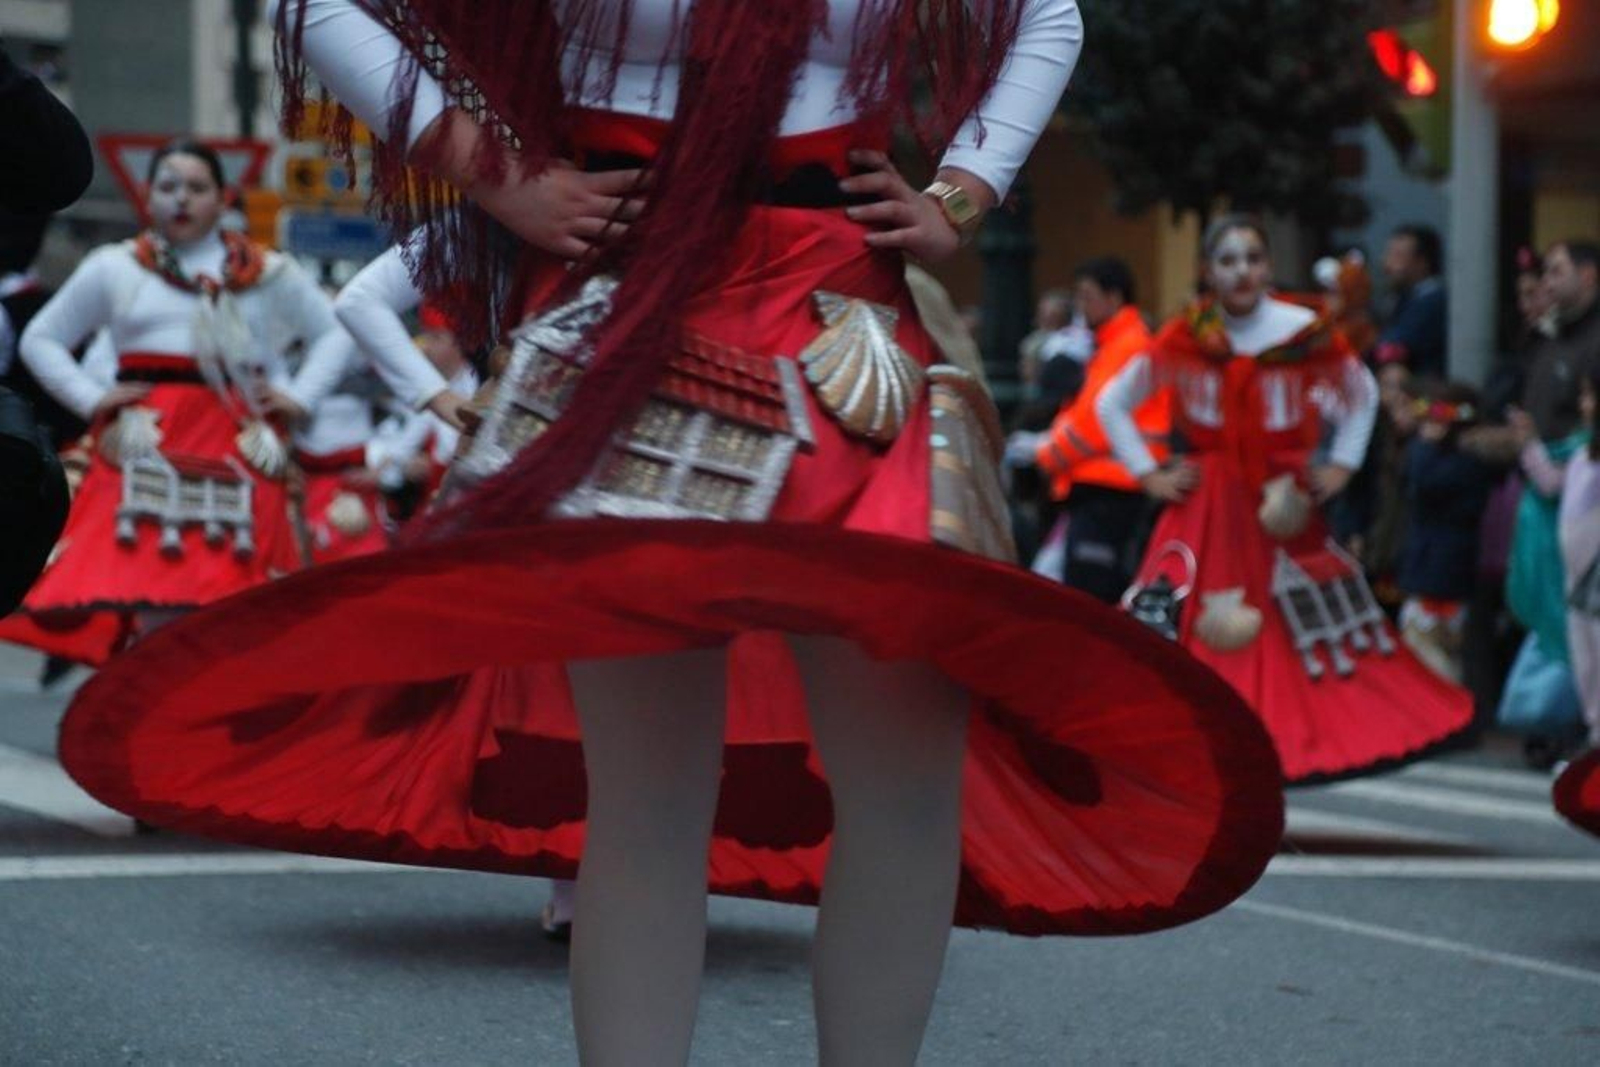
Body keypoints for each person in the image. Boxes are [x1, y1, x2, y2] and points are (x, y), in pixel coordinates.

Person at [59, 4, 1287, 1062]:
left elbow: (1047, 15)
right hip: (635, 306)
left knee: (905, 779)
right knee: (648, 793)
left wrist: (965, 188)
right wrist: (495, 171)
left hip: (841, 314)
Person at [1096, 214, 1473, 780]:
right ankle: (1201, 749)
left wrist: (1342, 465)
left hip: (1282, 503)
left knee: (1297, 624)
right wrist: (1147, 473)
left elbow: (1361, 393)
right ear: (1208, 271)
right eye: (1228, 261)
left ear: (1268, 267)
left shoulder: (1303, 331)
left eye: (1252, 258)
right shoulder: (1186, 334)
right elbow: (1111, 403)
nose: (1241, 271)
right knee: (1195, 622)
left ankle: (1297, 744)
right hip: (1209, 504)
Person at [0, 140, 349, 664]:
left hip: (237, 445)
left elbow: (335, 334)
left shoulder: (270, 272)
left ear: (223, 197)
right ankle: (141, 716)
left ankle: (200, 718)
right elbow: (41, 340)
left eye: (196, 188)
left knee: (230, 600)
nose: (180, 200)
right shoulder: (115, 265)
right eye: (167, 187)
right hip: (146, 443)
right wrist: (95, 398)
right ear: (148, 196)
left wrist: (298, 397)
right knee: (147, 593)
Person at [1032, 256, 1165, 600]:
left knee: (1091, 597)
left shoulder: (1126, 344)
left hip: (1109, 489)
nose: (1080, 306)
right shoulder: (1118, 342)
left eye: (1086, 296)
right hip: (1111, 487)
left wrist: (1047, 455)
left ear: (1114, 297)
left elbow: (1092, 423)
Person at [1395, 382, 1493, 683]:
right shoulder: (1430, 455)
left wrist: (1424, 446)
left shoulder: (1469, 460)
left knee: (1440, 657)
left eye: (1438, 415)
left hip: (1445, 573)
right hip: (1425, 566)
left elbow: (1427, 482)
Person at [1376, 223, 1447, 379]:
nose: (1387, 264)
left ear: (1421, 262)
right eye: (1388, 254)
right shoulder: (1403, 297)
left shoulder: (1432, 301)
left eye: (1397, 256)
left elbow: (1392, 347)